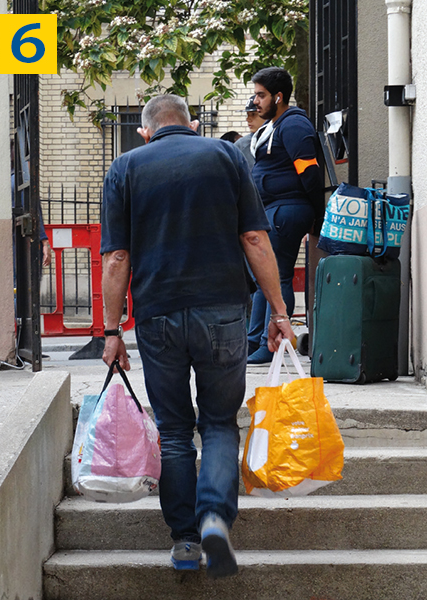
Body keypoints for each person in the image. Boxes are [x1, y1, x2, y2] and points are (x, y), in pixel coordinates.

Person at [100, 94, 294, 579]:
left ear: (146, 131)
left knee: (173, 432)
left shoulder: (125, 168)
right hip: (224, 313)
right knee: (220, 423)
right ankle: (214, 517)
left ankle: (186, 540)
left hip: (157, 316)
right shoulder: (228, 156)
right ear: (189, 123)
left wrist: (110, 330)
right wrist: (278, 310)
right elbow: (255, 238)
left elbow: (116, 259)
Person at [247, 67, 324, 365]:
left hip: (286, 211)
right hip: (273, 210)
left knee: (277, 278)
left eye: (261, 95)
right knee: (263, 278)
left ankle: (270, 347)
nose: (256, 101)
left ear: (278, 97)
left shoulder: (293, 126)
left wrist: (317, 217)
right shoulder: (275, 126)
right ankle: (255, 342)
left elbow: (311, 174)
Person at [234, 96, 266, 170]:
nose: (248, 119)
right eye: (247, 114)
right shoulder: (241, 145)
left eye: (253, 114)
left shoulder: (279, 138)